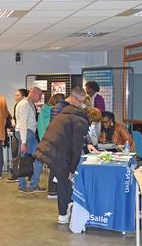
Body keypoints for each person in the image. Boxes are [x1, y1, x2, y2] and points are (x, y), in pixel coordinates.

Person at [34, 86, 89, 225]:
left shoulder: (63, 112)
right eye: (82, 101)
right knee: (65, 183)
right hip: (58, 152)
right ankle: (63, 215)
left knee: (63, 183)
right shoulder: (79, 120)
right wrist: (72, 169)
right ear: (77, 100)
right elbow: (76, 148)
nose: (83, 104)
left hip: (51, 150)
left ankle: (66, 210)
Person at [15, 86, 45, 193]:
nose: (40, 98)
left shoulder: (29, 103)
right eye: (40, 95)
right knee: (38, 158)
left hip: (28, 134)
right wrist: (23, 142)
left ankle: (25, 185)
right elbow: (23, 123)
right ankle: (29, 185)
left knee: (25, 159)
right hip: (26, 134)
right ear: (34, 93)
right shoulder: (24, 104)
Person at [7, 88, 28, 183]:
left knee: (22, 155)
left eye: (18, 95)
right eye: (15, 95)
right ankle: (16, 174)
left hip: (23, 133)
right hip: (17, 132)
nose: (15, 97)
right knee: (15, 153)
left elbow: (23, 122)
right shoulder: (17, 105)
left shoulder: (25, 105)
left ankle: (21, 175)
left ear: (23, 96)